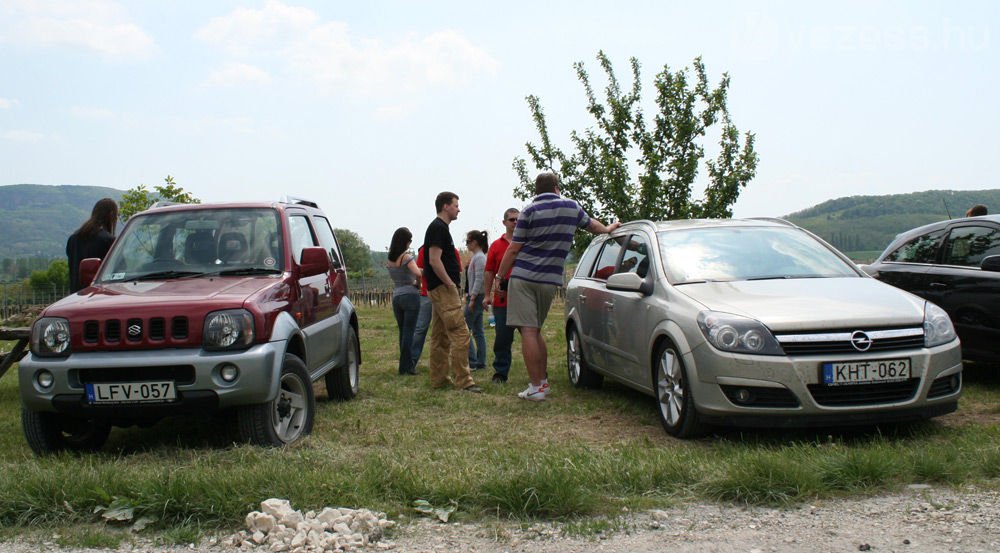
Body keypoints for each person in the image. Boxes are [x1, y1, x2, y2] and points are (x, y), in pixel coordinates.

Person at [496, 173, 620, 401]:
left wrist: (499, 277)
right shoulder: (571, 207)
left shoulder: (529, 211)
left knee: (528, 331)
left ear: (536, 190)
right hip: (549, 279)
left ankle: (536, 387)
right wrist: (608, 229)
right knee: (536, 330)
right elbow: (592, 225)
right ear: (556, 188)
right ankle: (542, 383)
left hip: (524, 277)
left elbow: (514, 249)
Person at [422, 192, 481, 393]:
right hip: (443, 289)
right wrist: (449, 284)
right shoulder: (438, 228)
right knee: (461, 334)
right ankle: (464, 381)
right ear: (445, 206)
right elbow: (434, 260)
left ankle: (439, 379)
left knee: (440, 337)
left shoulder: (438, 228)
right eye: (456, 205)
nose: (458, 209)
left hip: (438, 288)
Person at [482, 208, 519, 383]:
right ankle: (500, 372)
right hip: (502, 298)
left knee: (531, 336)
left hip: (524, 297)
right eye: (512, 219)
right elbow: (489, 271)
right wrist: (486, 295)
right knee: (502, 338)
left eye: (518, 219)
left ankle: (538, 373)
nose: (515, 222)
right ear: (504, 222)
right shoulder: (496, 246)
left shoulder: (527, 244)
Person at [411, 245, 462, 371]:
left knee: (454, 327)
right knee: (455, 326)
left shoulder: (429, 250)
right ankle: (411, 362)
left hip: (432, 293)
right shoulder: (427, 249)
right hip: (434, 293)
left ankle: (411, 362)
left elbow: (419, 271)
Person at [386, 227, 422, 375]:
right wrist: (418, 284)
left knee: (402, 331)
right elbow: (418, 273)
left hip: (397, 296)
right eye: (409, 240)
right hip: (410, 295)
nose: (410, 243)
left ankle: (404, 365)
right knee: (409, 332)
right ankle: (406, 367)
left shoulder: (390, 259)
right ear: (405, 241)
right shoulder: (406, 257)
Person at [66, 197, 118, 293]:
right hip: (101, 294)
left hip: (76, 294)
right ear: (111, 215)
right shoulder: (108, 240)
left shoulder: (73, 239)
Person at [464, 230, 489, 370]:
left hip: (476, 297)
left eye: (468, 242)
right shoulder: (477, 257)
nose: (466, 244)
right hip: (476, 296)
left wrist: (472, 298)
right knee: (478, 331)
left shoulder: (479, 258)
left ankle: (473, 361)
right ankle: (480, 362)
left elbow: (480, 279)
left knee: (464, 329)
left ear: (475, 242)